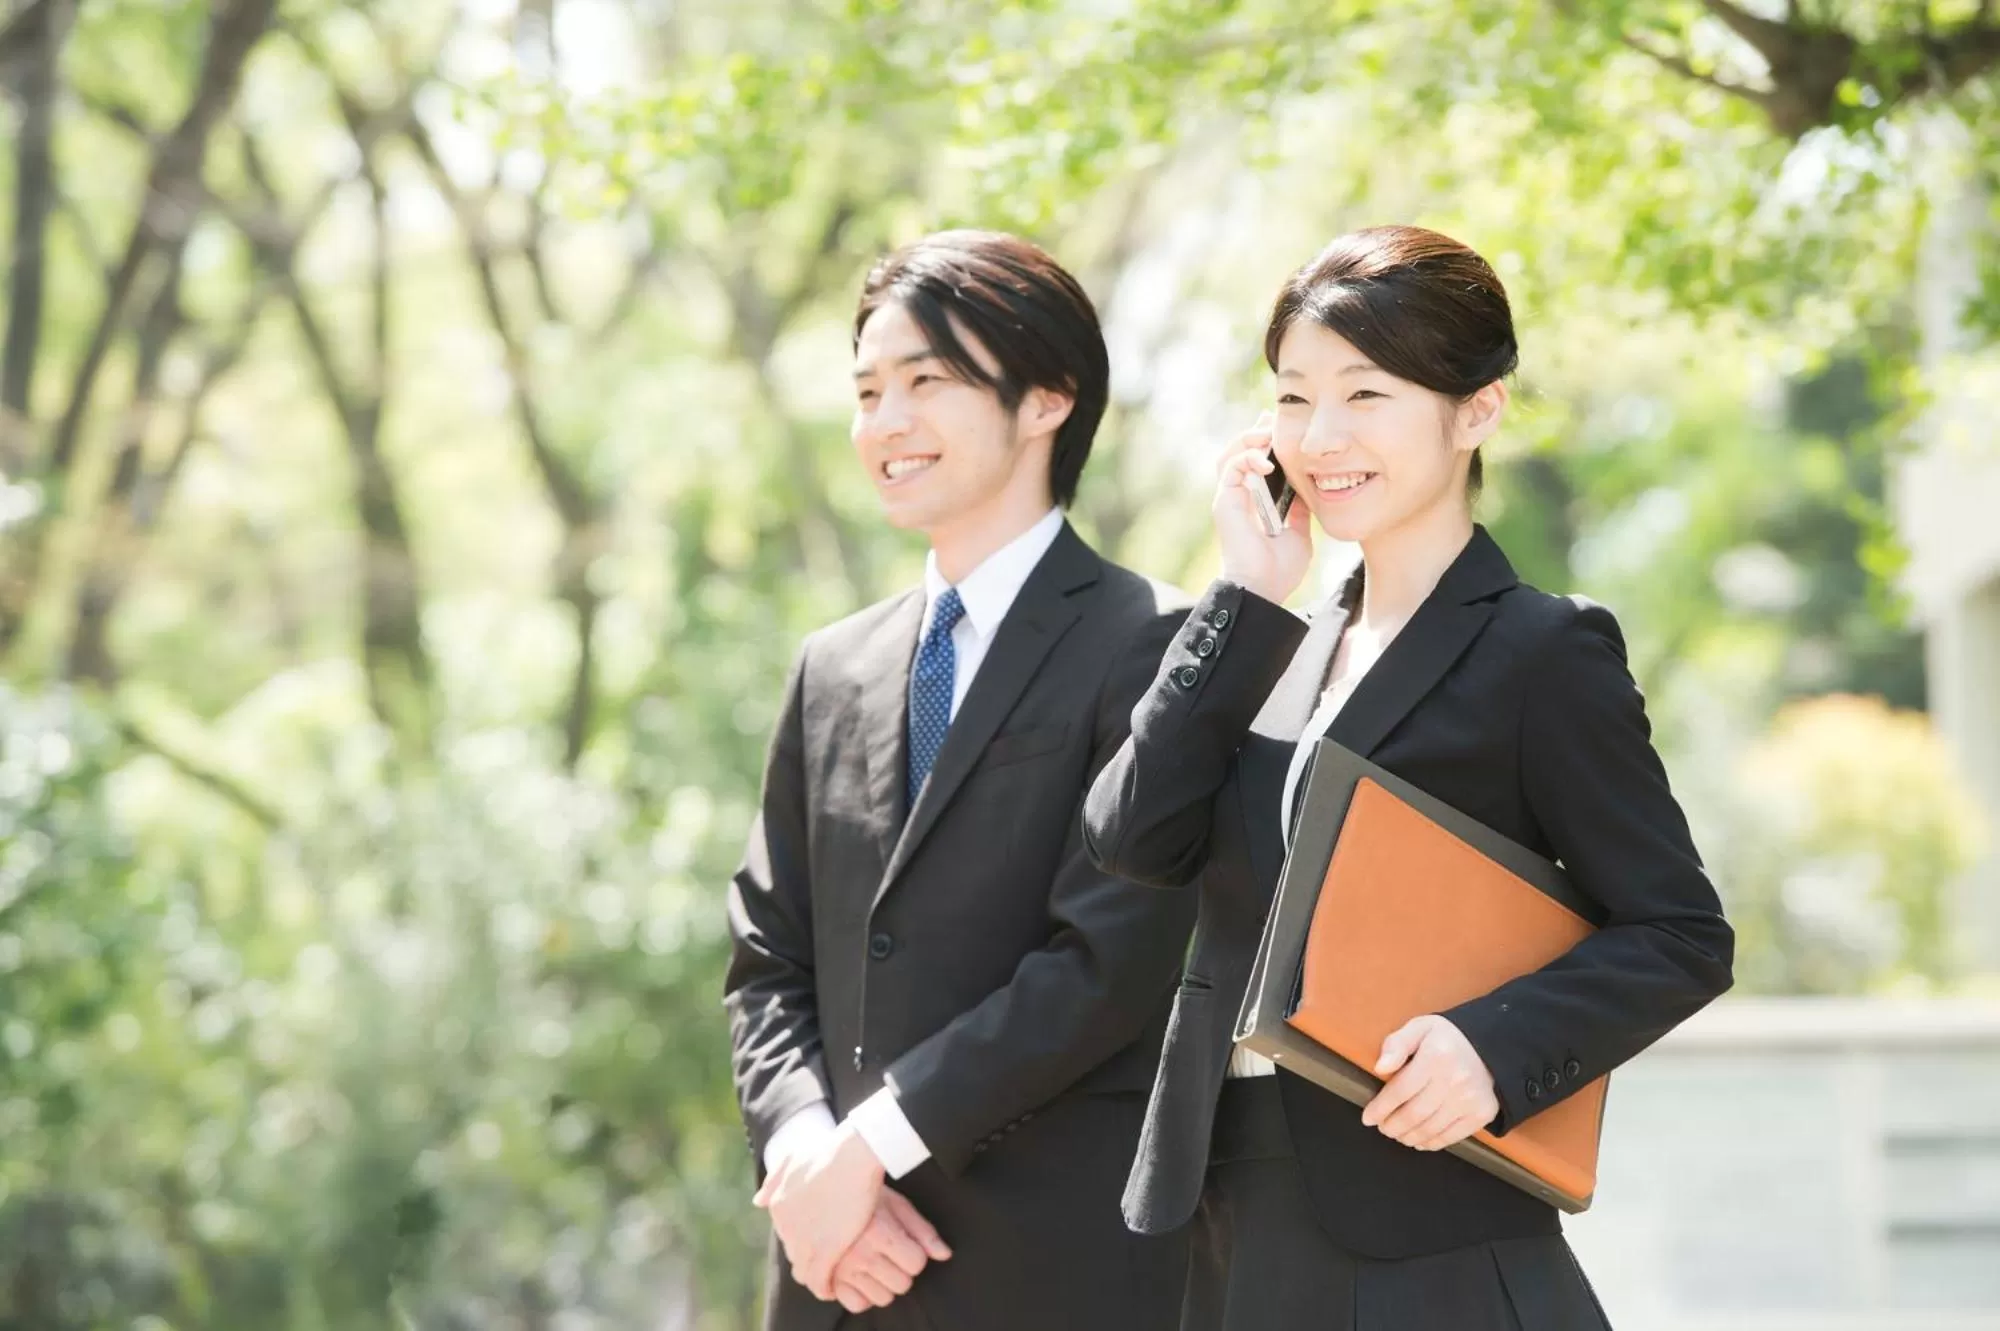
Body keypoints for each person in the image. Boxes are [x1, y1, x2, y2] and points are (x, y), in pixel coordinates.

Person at [1083, 224, 1735, 1329]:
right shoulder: (1266, 636)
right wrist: (1242, 599)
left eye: (1364, 394)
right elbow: (1131, 837)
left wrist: (1494, 1044)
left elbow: (1677, 931)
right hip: (1226, 1215)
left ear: (1476, 408)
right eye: (1291, 398)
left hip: (1421, 1232)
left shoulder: (1538, 651)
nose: (1318, 436)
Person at [725, 229, 1194, 1331]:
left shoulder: (1155, 643)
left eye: (924, 382)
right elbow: (766, 958)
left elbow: (1105, 963)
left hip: (1050, 1268)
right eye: (866, 390)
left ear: (1045, 398)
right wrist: (806, 1157)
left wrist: (873, 1143)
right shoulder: (831, 667)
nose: (883, 423)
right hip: (837, 1267)